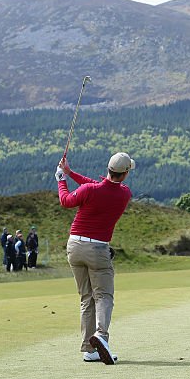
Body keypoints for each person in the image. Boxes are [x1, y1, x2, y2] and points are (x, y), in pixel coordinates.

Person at [56, 152, 134, 365]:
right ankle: (101, 335)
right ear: (125, 174)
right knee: (103, 296)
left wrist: (61, 179)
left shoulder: (90, 190)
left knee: (86, 297)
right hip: (98, 249)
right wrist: (69, 174)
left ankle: (90, 350)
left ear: (108, 169)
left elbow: (66, 200)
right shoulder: (124, 194)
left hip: (74, 247)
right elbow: (99, 187)